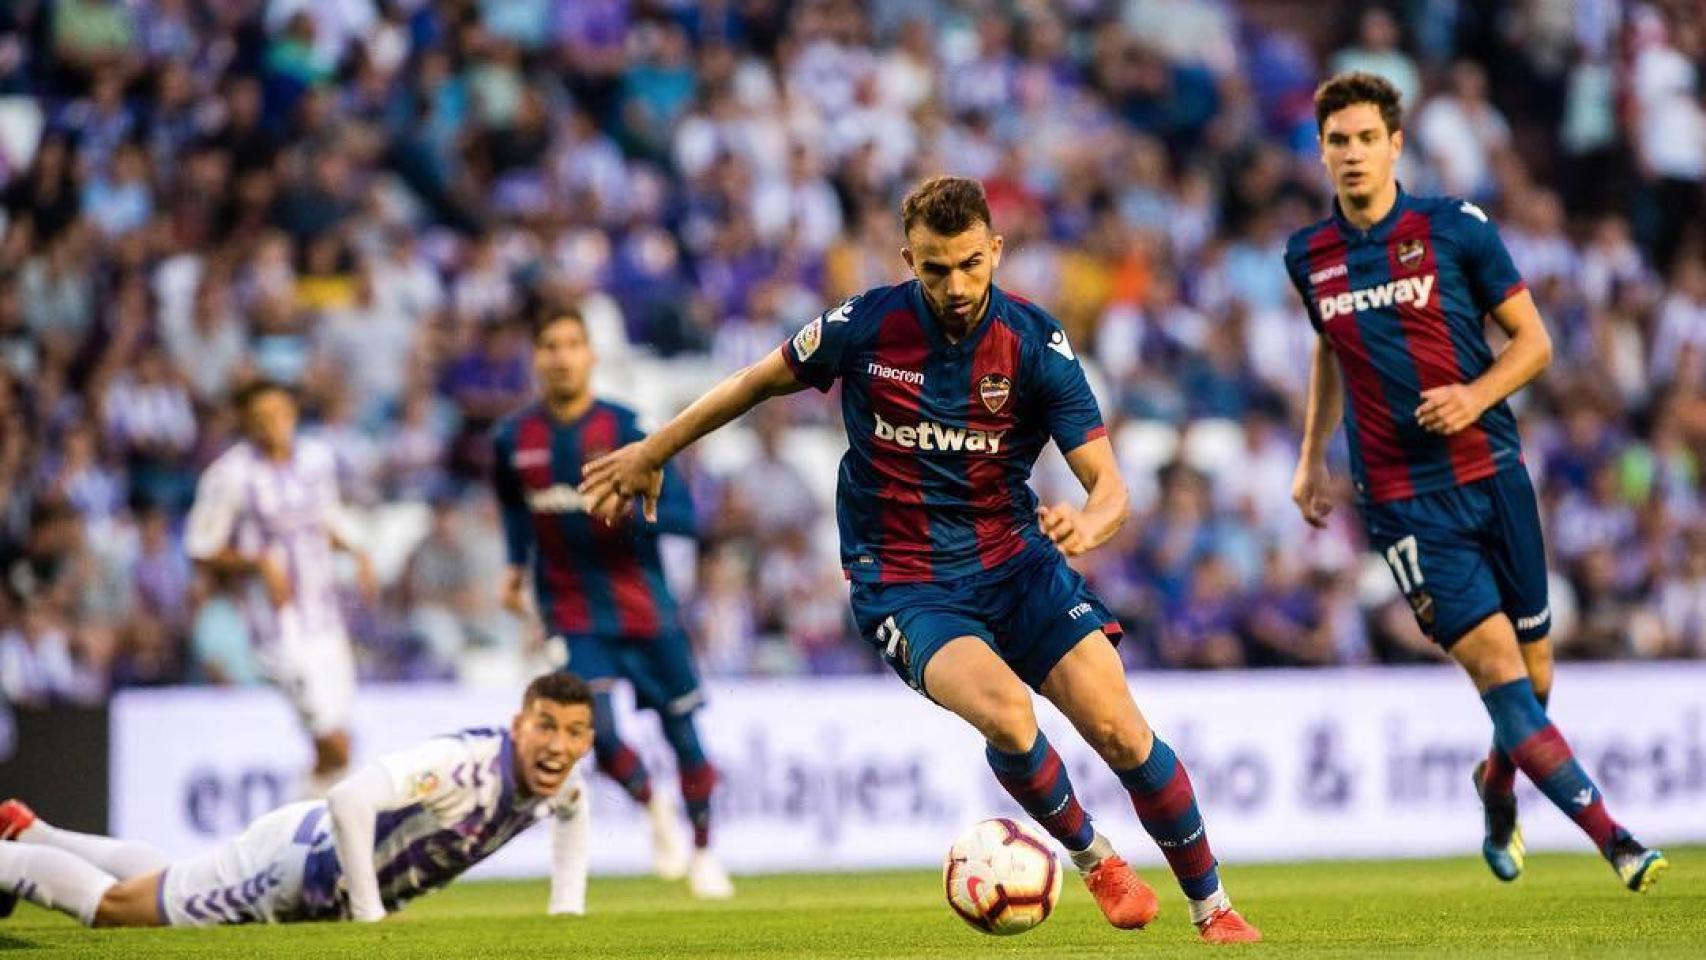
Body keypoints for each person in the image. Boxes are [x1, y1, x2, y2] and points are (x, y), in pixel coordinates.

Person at [580, 176, 1260, 943]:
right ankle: (1093, 856)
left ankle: (1215, 908)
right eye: (935, 269)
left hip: (1019, 563)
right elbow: (752, 383)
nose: (956, 285)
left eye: (971, 264)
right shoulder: (865, 327)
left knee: (1122, 732)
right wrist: (652, 450)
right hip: (904, 580)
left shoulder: (1035, 345)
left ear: (995, 251)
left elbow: (1109, 486)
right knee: (1008, 713)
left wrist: (1090, 525)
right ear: (909, 260)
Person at [1283, 72, 1667, 891]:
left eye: (1364, 138)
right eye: (1336, 141)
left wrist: (1474, 395)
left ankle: (1496, 785)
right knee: (1500, 678)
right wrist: (1312, 456)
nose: (1351, 154)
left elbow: (1533, 344)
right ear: (1321, 153)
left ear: (1395, 144)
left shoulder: (1454, 230)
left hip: (1495, 475)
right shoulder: (1308, 256)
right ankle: (1618, 841)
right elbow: (1329, 350)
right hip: (1401, 502)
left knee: (1533, 685)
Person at [0, 672, 595, 926]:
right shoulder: (463, 767)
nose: (557, 745)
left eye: (573, 733)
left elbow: (573, 809)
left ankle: (29, 832)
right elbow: (351, 801)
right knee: (119, 911)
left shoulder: (559, 781)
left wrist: (566, 912)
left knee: (174, 878)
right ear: (517, 725)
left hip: (306, 859)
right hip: (294, 866)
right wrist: (369, 918)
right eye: (545, 726)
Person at [491, 309, 731, 899]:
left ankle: (704, 852)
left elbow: (682, 514)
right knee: (593, 730)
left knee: (684, 736)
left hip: (644, 607)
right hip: (571, 609)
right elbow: (515, 510)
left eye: (573, 344)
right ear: (536, 357)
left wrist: (633, 508)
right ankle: (654, 809)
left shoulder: (629, 428)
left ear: (592, 355)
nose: (561, 356)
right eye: (549, 344)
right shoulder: (513, 440)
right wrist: (515, 566)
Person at [184, 380, 376, 798]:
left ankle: (299, 838)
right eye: (260, 418)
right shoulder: (229, 476)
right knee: (333, 741)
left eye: (280, 414)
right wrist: (257, 563)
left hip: (326, 617)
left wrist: (358, 553)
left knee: (337, 743)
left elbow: (326, 522)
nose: (273, 425)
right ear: (246, 423)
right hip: (275, 626)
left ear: (293, 413)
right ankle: (324, 840)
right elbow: (200, 548)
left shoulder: (316, 460)